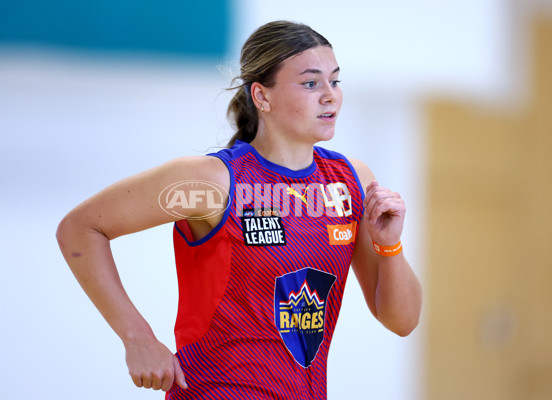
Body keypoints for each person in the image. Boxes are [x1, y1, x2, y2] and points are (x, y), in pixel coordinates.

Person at [56, 20, 422, 399]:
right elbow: (80, 228)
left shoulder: (350, 182)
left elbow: (403, 320)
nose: (330, 96)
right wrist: (136, 336)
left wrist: (389, 246)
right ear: (262, 97)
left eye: (335, 81)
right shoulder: (208, 183)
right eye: (311, 83)